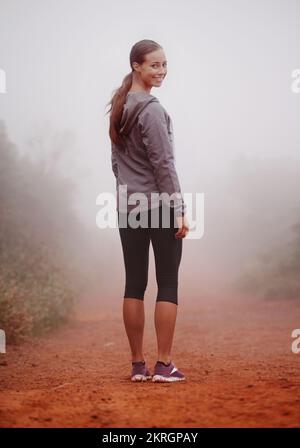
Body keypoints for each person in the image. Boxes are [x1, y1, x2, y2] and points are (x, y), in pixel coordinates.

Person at [106, 39, 189, 382]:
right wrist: (179, 208)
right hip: (159, 206)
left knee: (134, 284)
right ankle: (163, 365)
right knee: (167, 283)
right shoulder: (152, 110)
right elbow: (164, 165)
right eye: (154, 65)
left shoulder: (120, 107)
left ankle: (137, 365)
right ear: (136, 66)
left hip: (129, 208)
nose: (161, 71)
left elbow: (116, 164)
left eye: (165, 64)